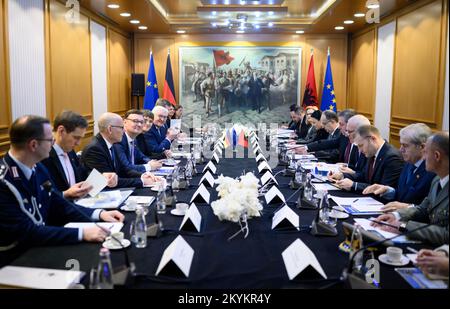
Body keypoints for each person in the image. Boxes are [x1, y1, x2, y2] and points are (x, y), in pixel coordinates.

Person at [0, 115, 124, 266]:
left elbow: (57, 202)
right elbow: (26, 232)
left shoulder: (37, 167)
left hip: (39, 245)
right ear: (33, 145)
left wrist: (99, 214)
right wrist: (82, 233)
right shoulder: (4, 181)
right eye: (49, 140)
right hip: (15, 259)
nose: (53, 143)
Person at [371, 132, 448, 245]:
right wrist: (396, 215)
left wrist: (404, 226)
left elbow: (446, 234)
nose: (423, 156)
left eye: (426, 152)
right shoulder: (437, 179)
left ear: (437, 156)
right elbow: (423, 209)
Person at [41, 111, 117, 199]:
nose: (78, 143)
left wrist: (103, 177)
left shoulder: (70, 151)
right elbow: (43, 195)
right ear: (61, 131)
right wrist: (65, 194)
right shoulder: (44, 157)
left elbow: (82, 175)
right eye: (76, 138)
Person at [362, 123, 435, 211]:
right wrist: (388, 191)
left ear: (422, 147)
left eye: (405, 146)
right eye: (401, 145)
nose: (401, 150)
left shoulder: (432, 171)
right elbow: (403, 194)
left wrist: (407, 207)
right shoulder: (408, 163)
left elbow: (429, 209)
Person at [81, 112, 161, 188]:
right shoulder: (95, 149)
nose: (124, 131)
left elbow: (124, 170)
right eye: (121, 127)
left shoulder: (112, 144)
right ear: (110, 129)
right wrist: (141, 181)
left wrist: (142, 175)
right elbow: (108, 182)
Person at [333, 125, 404, 192]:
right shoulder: (372, 152)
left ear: (372, 139)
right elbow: (364, 176)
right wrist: (342, 176)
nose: (360, 150)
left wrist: (354, 185)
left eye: (361, 145)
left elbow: (383, 189)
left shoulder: (392, 157)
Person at [115, 109, 163, 174]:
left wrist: (150, 162)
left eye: (142, 122)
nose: (140, 125)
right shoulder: (118, 140)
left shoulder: (133, 138)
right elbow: (125, 167)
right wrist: (149, 166)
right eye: (135, 121)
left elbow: (141, 156)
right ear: (124, 122)